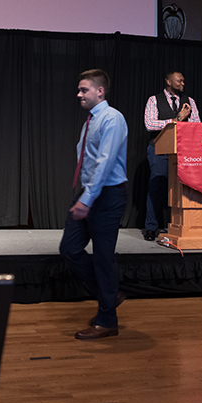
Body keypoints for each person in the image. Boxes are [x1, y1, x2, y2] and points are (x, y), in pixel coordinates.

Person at [59, 69, 128, 340]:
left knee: (102, 256)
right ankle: (107, 295)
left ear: (100, 91)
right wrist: (85, 195)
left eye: (83, 89)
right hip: (90, 192)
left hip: (107, 196)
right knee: (69, 249)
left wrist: (87, 199)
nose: (79, 94)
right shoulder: (91, 120)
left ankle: (107, 321)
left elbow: (105, 161)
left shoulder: (112, 119)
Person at [143, 71, 200, 241]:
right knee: (157, 186)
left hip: (183, 150)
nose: (183, 83)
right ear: (168, 81)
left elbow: (197, 124)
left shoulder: (189, 101)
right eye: (179, 81)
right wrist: (177, 119)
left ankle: (179, 225)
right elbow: (150, 124)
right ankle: (151, 227)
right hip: (159, 149)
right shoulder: (154, 100)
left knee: (182, 188)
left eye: (183, 81)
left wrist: (184, 120)